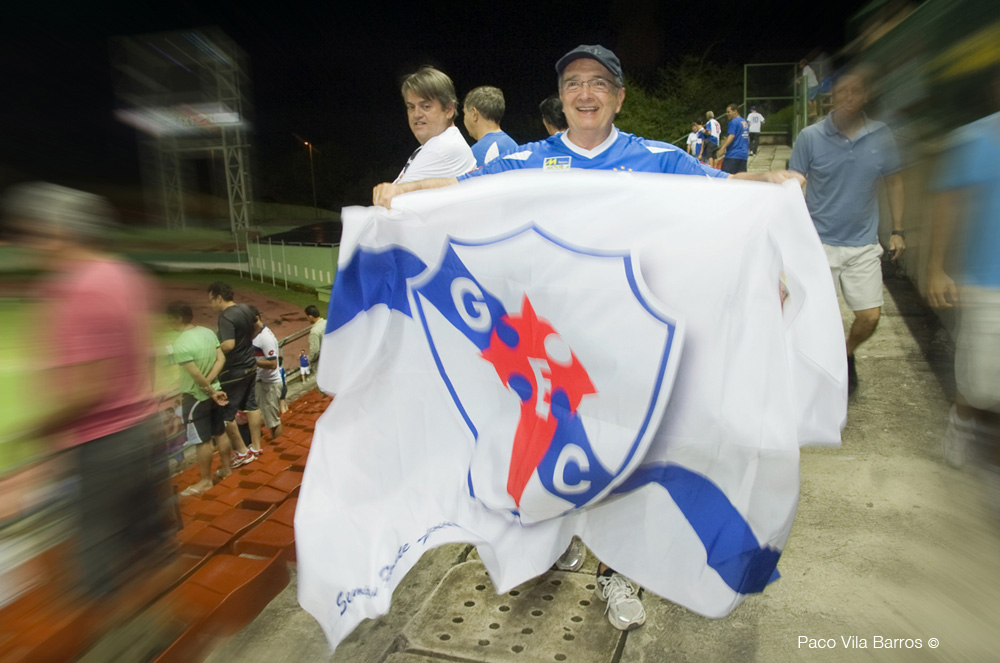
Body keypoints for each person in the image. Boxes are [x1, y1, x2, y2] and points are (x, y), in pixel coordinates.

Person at [372, 44, 804, 631]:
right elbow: (466, 191)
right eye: (574, 82)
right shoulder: (533, 159)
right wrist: (405, 193)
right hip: (550, 347)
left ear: (618, 97)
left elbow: (722, 189)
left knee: (624, 460)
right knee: (556, 454)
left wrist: (770, 183)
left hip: (630, 347)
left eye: (599, 83)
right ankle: (565, 539)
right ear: (562, 96)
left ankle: (617, 573)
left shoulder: (655, 157)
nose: (585, 92)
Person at [2, 182, 170, 598]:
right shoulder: (124, 274)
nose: (30, 244)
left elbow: (87, 389)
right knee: (144, 549)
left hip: (101, 446)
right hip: (139, 429)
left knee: (96, 564)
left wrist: (34, 433)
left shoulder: (79, 286)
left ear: (59, 233)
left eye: (34, 232)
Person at [788, 68, 904, 395]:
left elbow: (894, 180)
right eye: (842, 92)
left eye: (856, 91)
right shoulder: (810, 137)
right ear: (832, 97)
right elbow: (793, 183)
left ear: (866, 95)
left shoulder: (882, 135)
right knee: (809, 315)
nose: (849, 98)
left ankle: (846, 350)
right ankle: (813, 369)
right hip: (817, 242)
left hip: (863, 244)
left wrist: (898, 230)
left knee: (869, 317)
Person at [926, 77, 1000, 486]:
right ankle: (962, 420)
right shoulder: (975, 140)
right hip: (988, 285)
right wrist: (937, 267)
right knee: (980, 386)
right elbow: (948, 203)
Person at [166, 301, 230, 495]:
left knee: (202, 440)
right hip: (216, 391)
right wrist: (212, 386)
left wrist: (207, 389)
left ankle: (205, 480)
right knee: (220, 432)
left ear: (177, 319)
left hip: (196, 397)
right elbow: (221, 359)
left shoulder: (180, 344)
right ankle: (227, 469)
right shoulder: (208, 332)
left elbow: (195, 375)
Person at [208, 281, 262, 465]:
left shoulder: (225, 316)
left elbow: (229, 344)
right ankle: (256, 446)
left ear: (218, 297)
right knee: (251, 405)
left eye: (211, 300)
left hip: (234, 369)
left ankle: (242, 452)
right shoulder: (246, 308)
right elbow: (259, 326)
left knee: (226, 413)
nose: (211, 304)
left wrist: (214, 350)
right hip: (251, 364)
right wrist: (246, 342)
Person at [393, 66, 476, 184]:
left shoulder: (442, 147)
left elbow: (389, 200)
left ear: (449, 110)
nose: (416, 114)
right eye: (411, 107)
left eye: (426, 106)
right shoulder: (434, 145)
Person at [249, 305, 284, 441]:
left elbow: (272, 363)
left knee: (273, 421)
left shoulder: (265, 338)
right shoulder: (256, 334)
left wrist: (252, 361)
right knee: (269, 420)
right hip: (262, 382)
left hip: (269, 384)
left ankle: (278, 444)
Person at [464, 86, 519, 167]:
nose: (464, 118)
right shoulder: (514, 146)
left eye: (465, 113)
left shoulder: (478, 152)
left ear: (474, 114)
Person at [717, 103, 750, 174]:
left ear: (735, 111)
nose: (727, 114)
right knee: (740, 178)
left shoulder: (733, 122)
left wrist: (722, 148)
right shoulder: (744, 121)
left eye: (729, 112)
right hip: (743, 154)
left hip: (733, 154)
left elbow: (732, 136)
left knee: (726, 176)